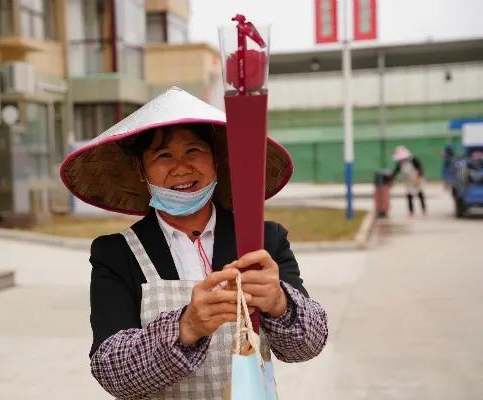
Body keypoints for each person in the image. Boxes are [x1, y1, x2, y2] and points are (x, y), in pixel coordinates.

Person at [60, 87, 328, 399]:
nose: (182, 167)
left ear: (216, 158)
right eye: (163, 155)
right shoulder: (116, 254)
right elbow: (112, 371)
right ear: (140, 169)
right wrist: (186, 326)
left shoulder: (264, 241)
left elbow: (307, 347)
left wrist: (280, 303)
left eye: (194, 151)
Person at [390, 145, 427, 216]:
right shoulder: (400, 163)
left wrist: (419, 178)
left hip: (416, 179)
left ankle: (423, 210)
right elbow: (395, 171)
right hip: (408, 181)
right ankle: (411, 211)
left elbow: (420, 168)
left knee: (420, 194)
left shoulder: (413, 160)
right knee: (409, 195)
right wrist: (391, 178)